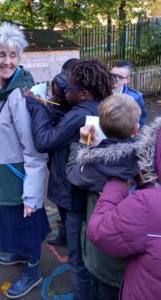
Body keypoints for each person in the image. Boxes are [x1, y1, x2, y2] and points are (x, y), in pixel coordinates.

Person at [26, 59, 115, 300]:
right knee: (88, 250)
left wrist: (35, 107)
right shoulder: (100, 106)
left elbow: (45, 140)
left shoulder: (79, 116)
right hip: (88, 192)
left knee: (77, 259)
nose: (65, 91)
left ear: (84, 94)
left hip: (73, 195)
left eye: (70, 89)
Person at [0, 22, 50, 299]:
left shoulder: (20, 94)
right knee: (8, 214)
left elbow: (34, 151)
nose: (7, 61)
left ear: (19, 57)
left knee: (25, 216)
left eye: (13, 55)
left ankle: (33, 269)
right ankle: (21, 253)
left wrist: (33, 195)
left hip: (19, 170)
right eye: (1, 54)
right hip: (2, 164)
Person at [66, 94, 141, 300]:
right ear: (136, 129)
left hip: (102, 257)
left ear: (101, 125)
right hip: (135, 254)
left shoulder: (92, 165)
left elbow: (73, 172)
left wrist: (82, 145)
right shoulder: (145, 162)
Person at [87, 116, 161, 300]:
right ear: (136, 129)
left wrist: (116, 184)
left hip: (109, 270)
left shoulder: (147, 203)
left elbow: (99, 231)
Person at [45, 72, 70, 247]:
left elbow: (46, 140)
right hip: (57, 162)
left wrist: (47, 112)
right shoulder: (57, 107)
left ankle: (68, 236)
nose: (54, 97)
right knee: (63, 202)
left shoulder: (71, 114)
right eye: (53, 94)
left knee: (66, 201)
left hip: (65, 165)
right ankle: (66, 232)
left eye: (58, 95)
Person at [111, 60, 147, 127]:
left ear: (128, 80)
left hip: (123, 135)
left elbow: (142, 116)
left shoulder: (135, 97)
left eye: (120, 77)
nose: (114, 79)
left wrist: (134, 130)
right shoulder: (100, 92)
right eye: (112, 75)